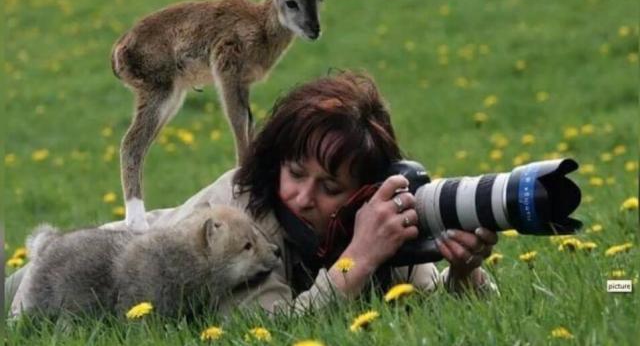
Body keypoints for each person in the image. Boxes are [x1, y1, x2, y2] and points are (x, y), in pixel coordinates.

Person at [7, 71, 498, 318]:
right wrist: (358, 261)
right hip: (73, 274)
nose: (303, 196)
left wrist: (464, 273)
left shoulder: (376, 218)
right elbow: (275, 329)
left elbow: (438, 307)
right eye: (295, 173)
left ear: (364, 193)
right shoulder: (241, 215)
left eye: (330, 187)